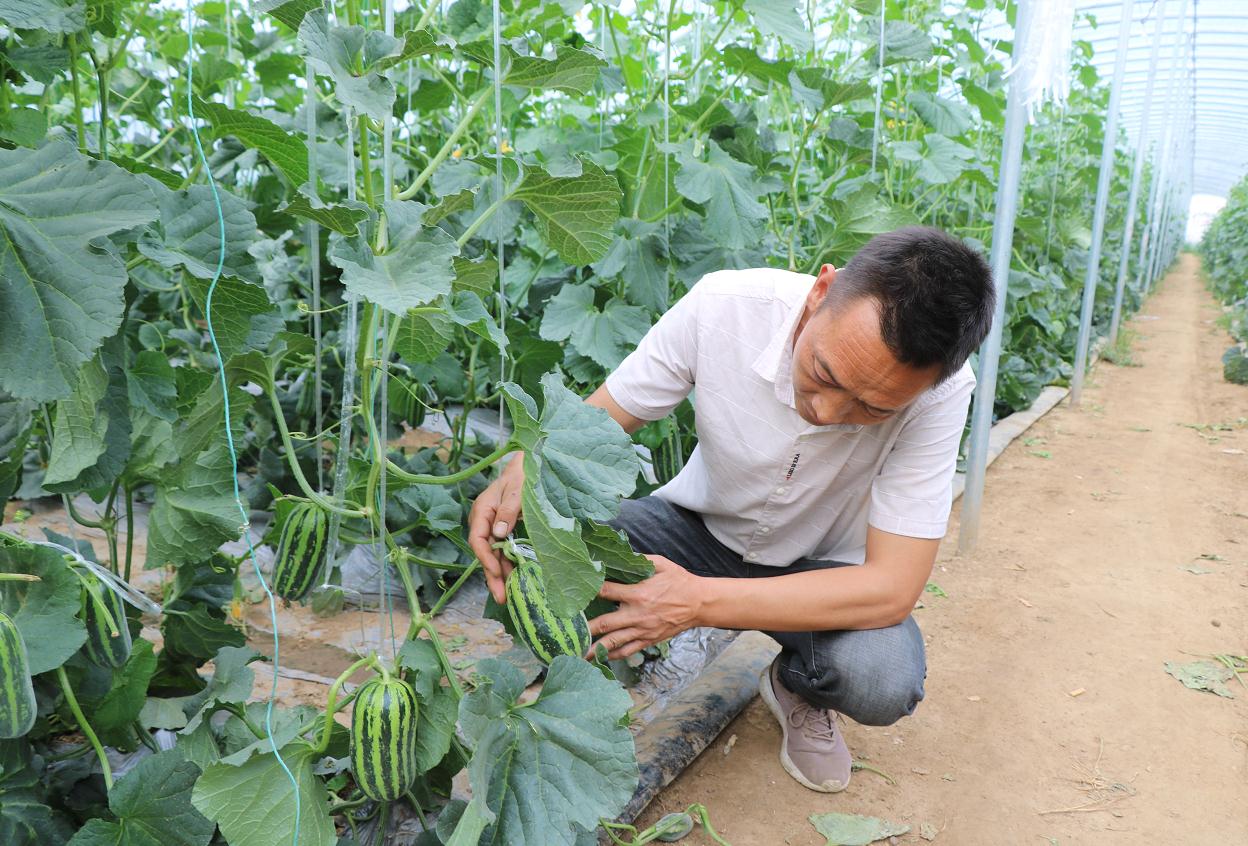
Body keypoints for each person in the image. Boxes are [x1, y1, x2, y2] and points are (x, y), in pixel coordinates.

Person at [468, 226, 995, 794]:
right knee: (541, 545)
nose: (827, 410)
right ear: (821, 292)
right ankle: (593, 670)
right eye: (823, 373)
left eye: (872, 407)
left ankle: (798, 685)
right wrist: (525, 467)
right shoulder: (724, 306)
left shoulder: (941, 396)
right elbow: (590, 427)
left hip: (819, 577)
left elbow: (893, 587)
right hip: (694, 532)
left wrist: (696, 603)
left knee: (881, 678)